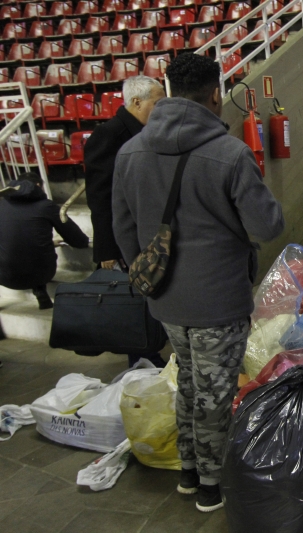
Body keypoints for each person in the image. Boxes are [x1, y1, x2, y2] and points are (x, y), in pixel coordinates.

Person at [112, 53, 284, 513]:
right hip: (218, 299)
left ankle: (189, 472)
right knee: (214, 392)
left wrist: (148, 275)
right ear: (215, 95)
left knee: (188, 382)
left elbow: (123, 229)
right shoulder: (229, 154)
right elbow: (267, 226)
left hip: (165, 298)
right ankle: (211, 484)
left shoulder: (130, 152)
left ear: (166, 92)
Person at [84, 75, 166, 368]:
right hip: (122, 239)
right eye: (157, 102)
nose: (162, 107)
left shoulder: (151, 132)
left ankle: (149, 353)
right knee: (135, 304)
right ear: (136, 102)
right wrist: (106, 249)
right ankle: (143, 359)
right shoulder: (109, 135)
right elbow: (100, 197)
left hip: (147, 231)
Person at [0, 172, 89, 309]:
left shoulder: (1, 205)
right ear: (37, 186)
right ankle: (40, 291)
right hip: (40, 274)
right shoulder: (46, 206)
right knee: (35, 256)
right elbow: (78, 240)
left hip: (4, 276)